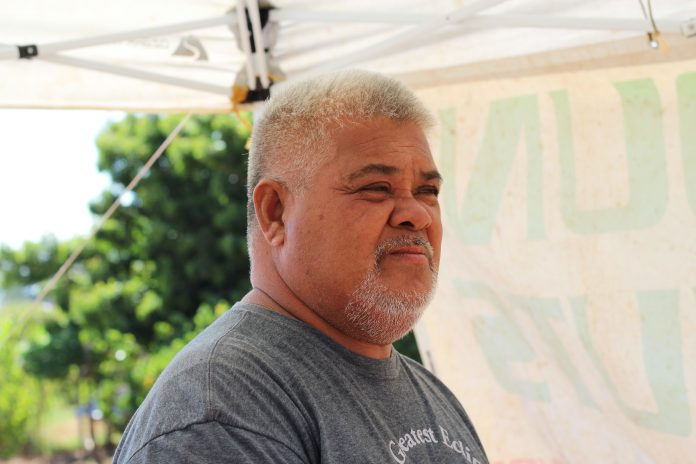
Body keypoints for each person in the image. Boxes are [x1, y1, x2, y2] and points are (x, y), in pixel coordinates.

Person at [113, 70, 489, 464]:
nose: (417, 213)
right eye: (376, 188)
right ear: (275, 213)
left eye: (427, 191)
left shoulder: (431, 394)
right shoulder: (225, 409)